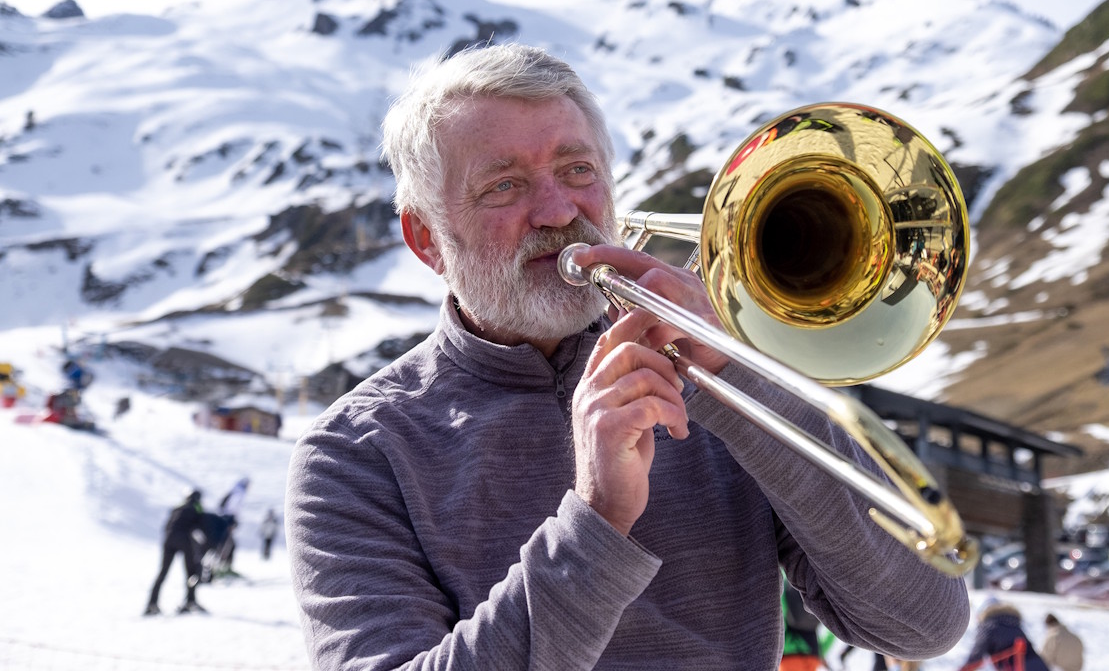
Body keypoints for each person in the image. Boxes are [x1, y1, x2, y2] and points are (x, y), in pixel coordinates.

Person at [285, 42, 970, 670]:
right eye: (505, 185)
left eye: (577, 170)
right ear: (426, 238)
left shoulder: (720, 374)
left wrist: (739, 382)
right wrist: (595, 524)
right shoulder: (354, 452)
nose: (558, 211)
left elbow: (922, 626)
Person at [145, 489, 207, 615]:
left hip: (168, 540)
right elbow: (200, 528)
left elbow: (167, 526)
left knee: (163, 573)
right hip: (185, 540)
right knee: (191, 572)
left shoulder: (177, 508)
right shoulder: (197, 508)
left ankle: (151, 604)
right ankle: (190, 601)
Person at [957, 597, 1049, 671]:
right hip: (1039, 665)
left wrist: (964, 668)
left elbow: (977, 654)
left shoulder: (988, 625)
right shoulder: (1013, 623)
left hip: (1017, 667)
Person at [780, 579, 827, 670]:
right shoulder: (782, 655)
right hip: (794, 611)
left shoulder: (814, 662)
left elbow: (828, 640)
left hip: (815, 616)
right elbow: (781, 621)